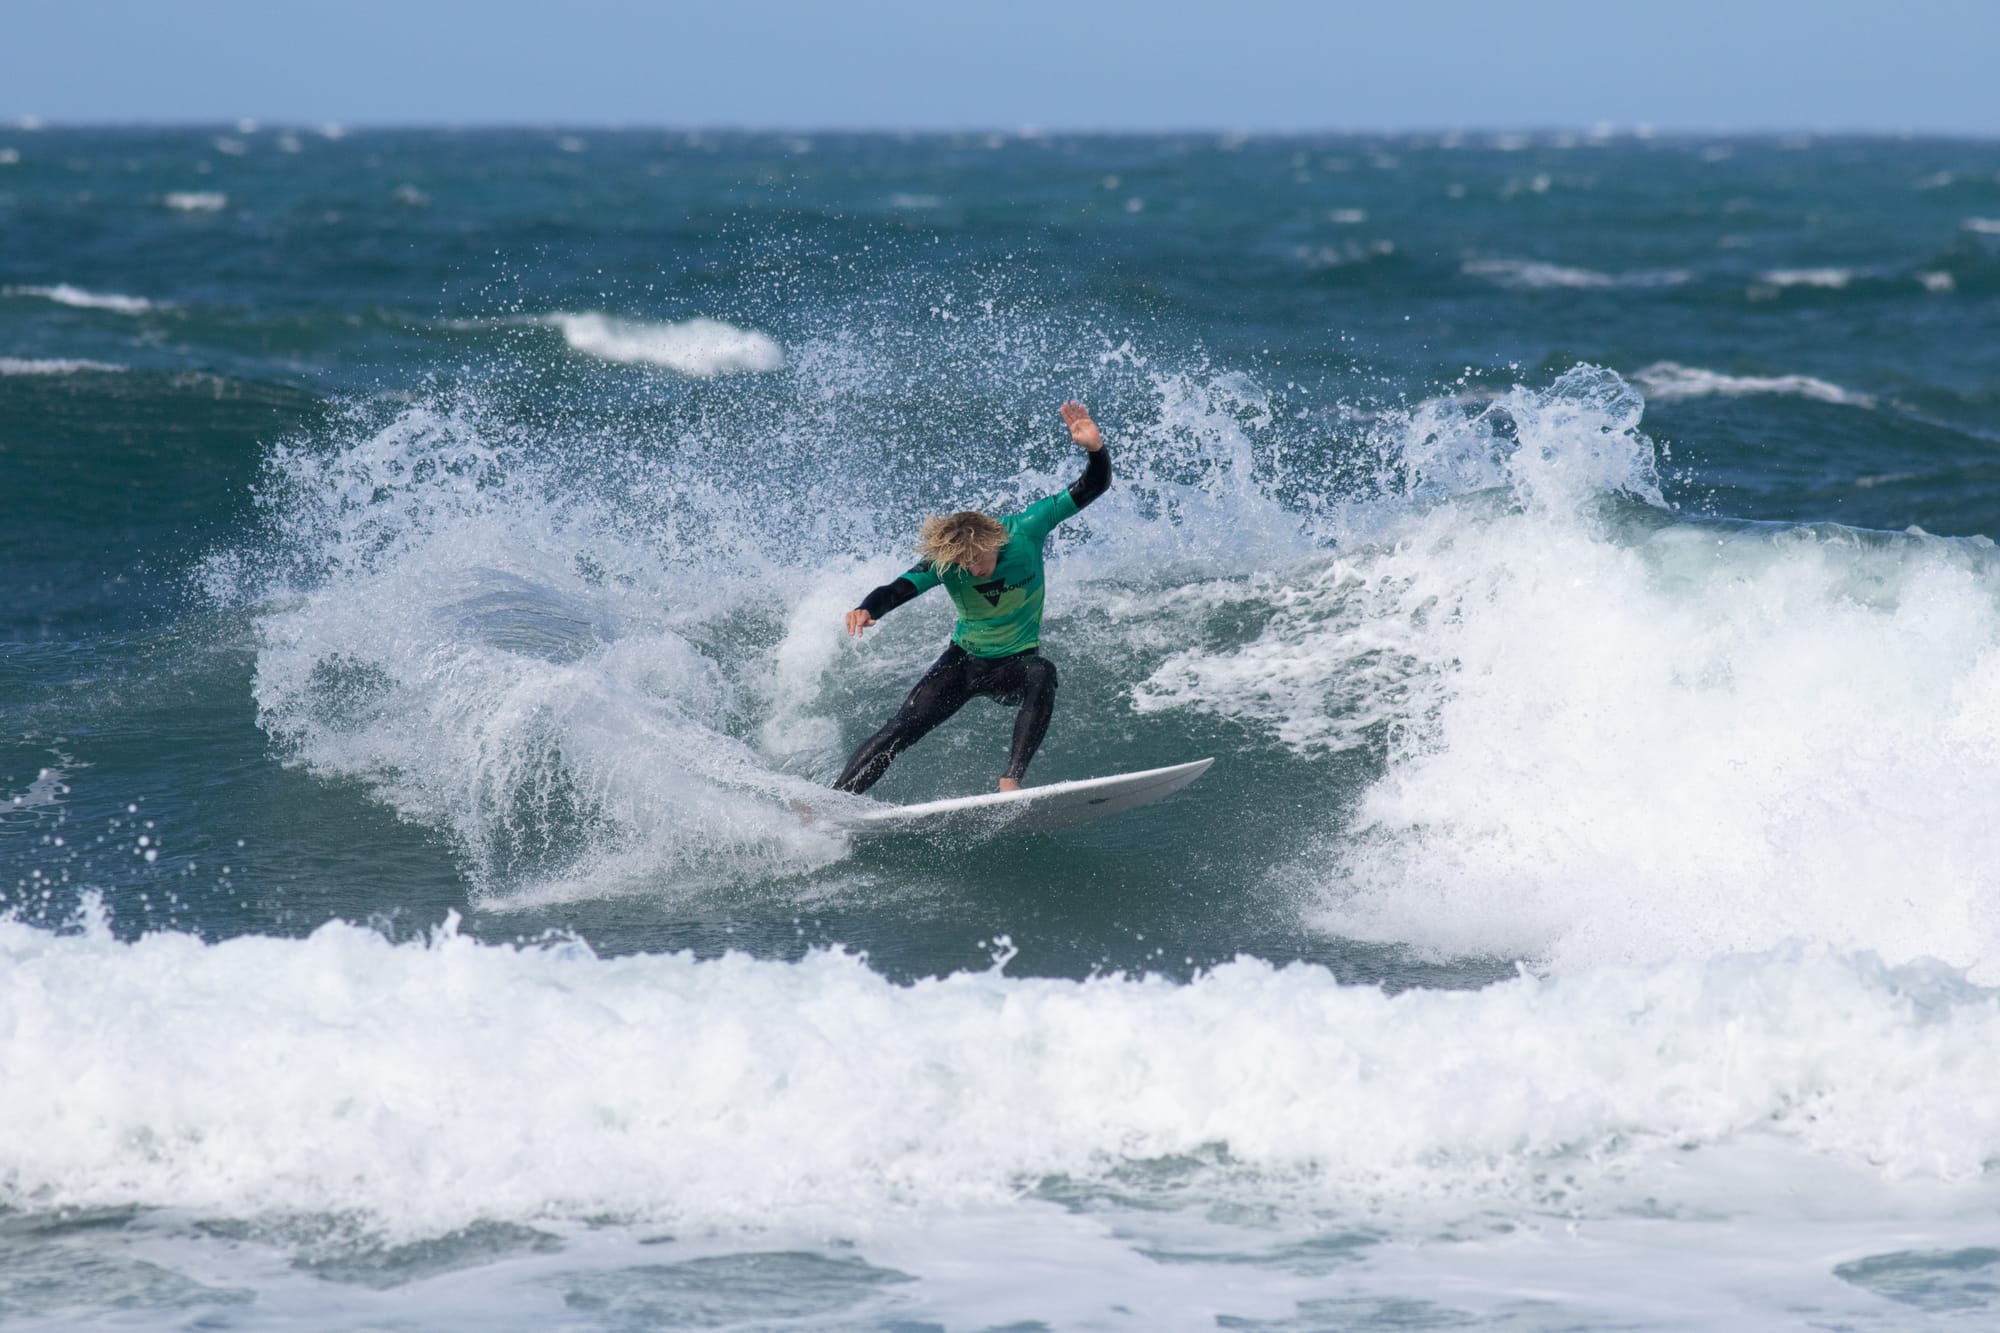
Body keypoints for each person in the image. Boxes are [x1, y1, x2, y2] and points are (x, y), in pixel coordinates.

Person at [834, 401, 1110, 795]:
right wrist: (866, 607)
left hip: (1012, 666)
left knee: (1041, 673)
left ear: (994, 541)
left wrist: (1095, 451)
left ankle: (1011, 779)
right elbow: (898, 589)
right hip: (962, 663)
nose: (973, 570)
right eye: (963, 565)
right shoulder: (948, 563)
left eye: (977, 560)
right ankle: (833, 801)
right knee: (900, 729)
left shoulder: (1028, 529)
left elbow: (1092, 486)